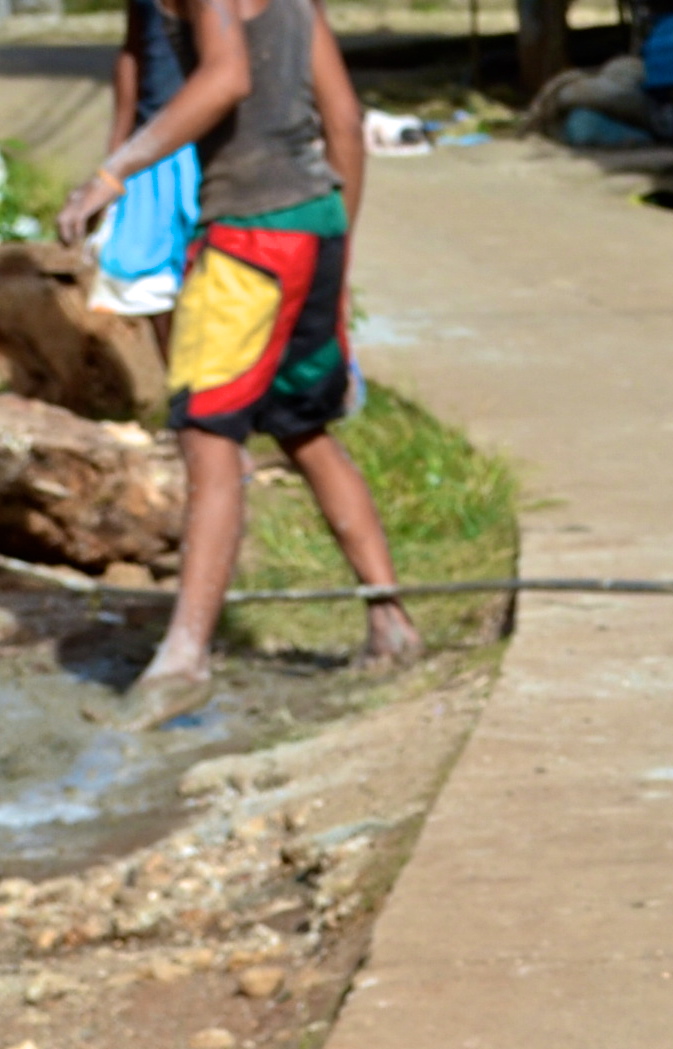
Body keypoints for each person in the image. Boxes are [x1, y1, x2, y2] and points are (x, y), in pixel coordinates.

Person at [58, 0, 423, 731]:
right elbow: (344, 123)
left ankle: (184, 659)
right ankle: (391, 622)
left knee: (209, 435)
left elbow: (225, 77)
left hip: (250, 237)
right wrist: (335, 249)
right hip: (314, 219)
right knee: (302, 426)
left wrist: (116, 170)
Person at [90, 0, 201, 339]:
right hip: (150, 151)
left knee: (207, 279)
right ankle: (182, 387)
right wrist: (117, 158)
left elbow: (229, 70)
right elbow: (134, 49)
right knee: (155, 285)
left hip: (208, 144)